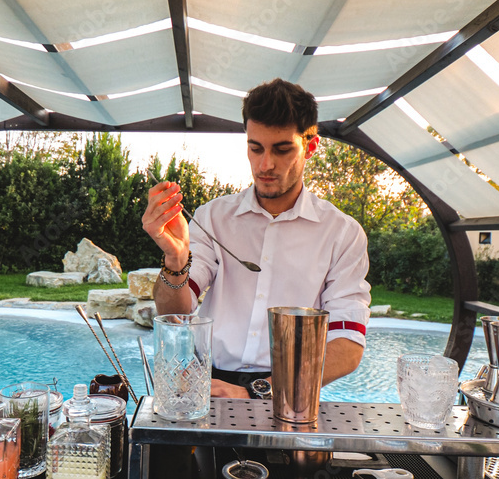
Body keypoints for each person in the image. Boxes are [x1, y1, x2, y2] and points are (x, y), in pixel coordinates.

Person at [142, 78, 371, 399]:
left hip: (292, 390)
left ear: (311, 146)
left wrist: (260, 391)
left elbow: (347, 345)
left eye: (282, 149)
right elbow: (174, 312)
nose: (265, 165)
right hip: (209, 385)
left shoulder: (342, 233)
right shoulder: (212, 217)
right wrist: (175, 259)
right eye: (255, 148)